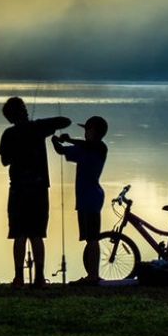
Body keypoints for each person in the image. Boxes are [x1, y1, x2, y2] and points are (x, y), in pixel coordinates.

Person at [0, 96, 71, 288]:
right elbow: (65, 121)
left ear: (9, 117)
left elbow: (5, 161)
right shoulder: (39, 128)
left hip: (18, 190)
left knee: (19, 234)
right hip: (39, 189)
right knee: (37, 234)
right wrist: (41, 124)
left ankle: (19, 278)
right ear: (24, 111)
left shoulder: (8, 134)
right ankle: (39, 278)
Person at [51, 115, 108, 286]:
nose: (85, 134)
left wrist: (69, 139)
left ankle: (93, 276)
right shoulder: (85, 149)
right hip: (84, 198)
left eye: (87, 130)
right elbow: (61, 151)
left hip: (91, 198)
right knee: (90, 238)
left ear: (95, 132)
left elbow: (89, 145)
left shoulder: (99, 148)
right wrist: (56, 141)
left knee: (92, 238)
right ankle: (92, 275)